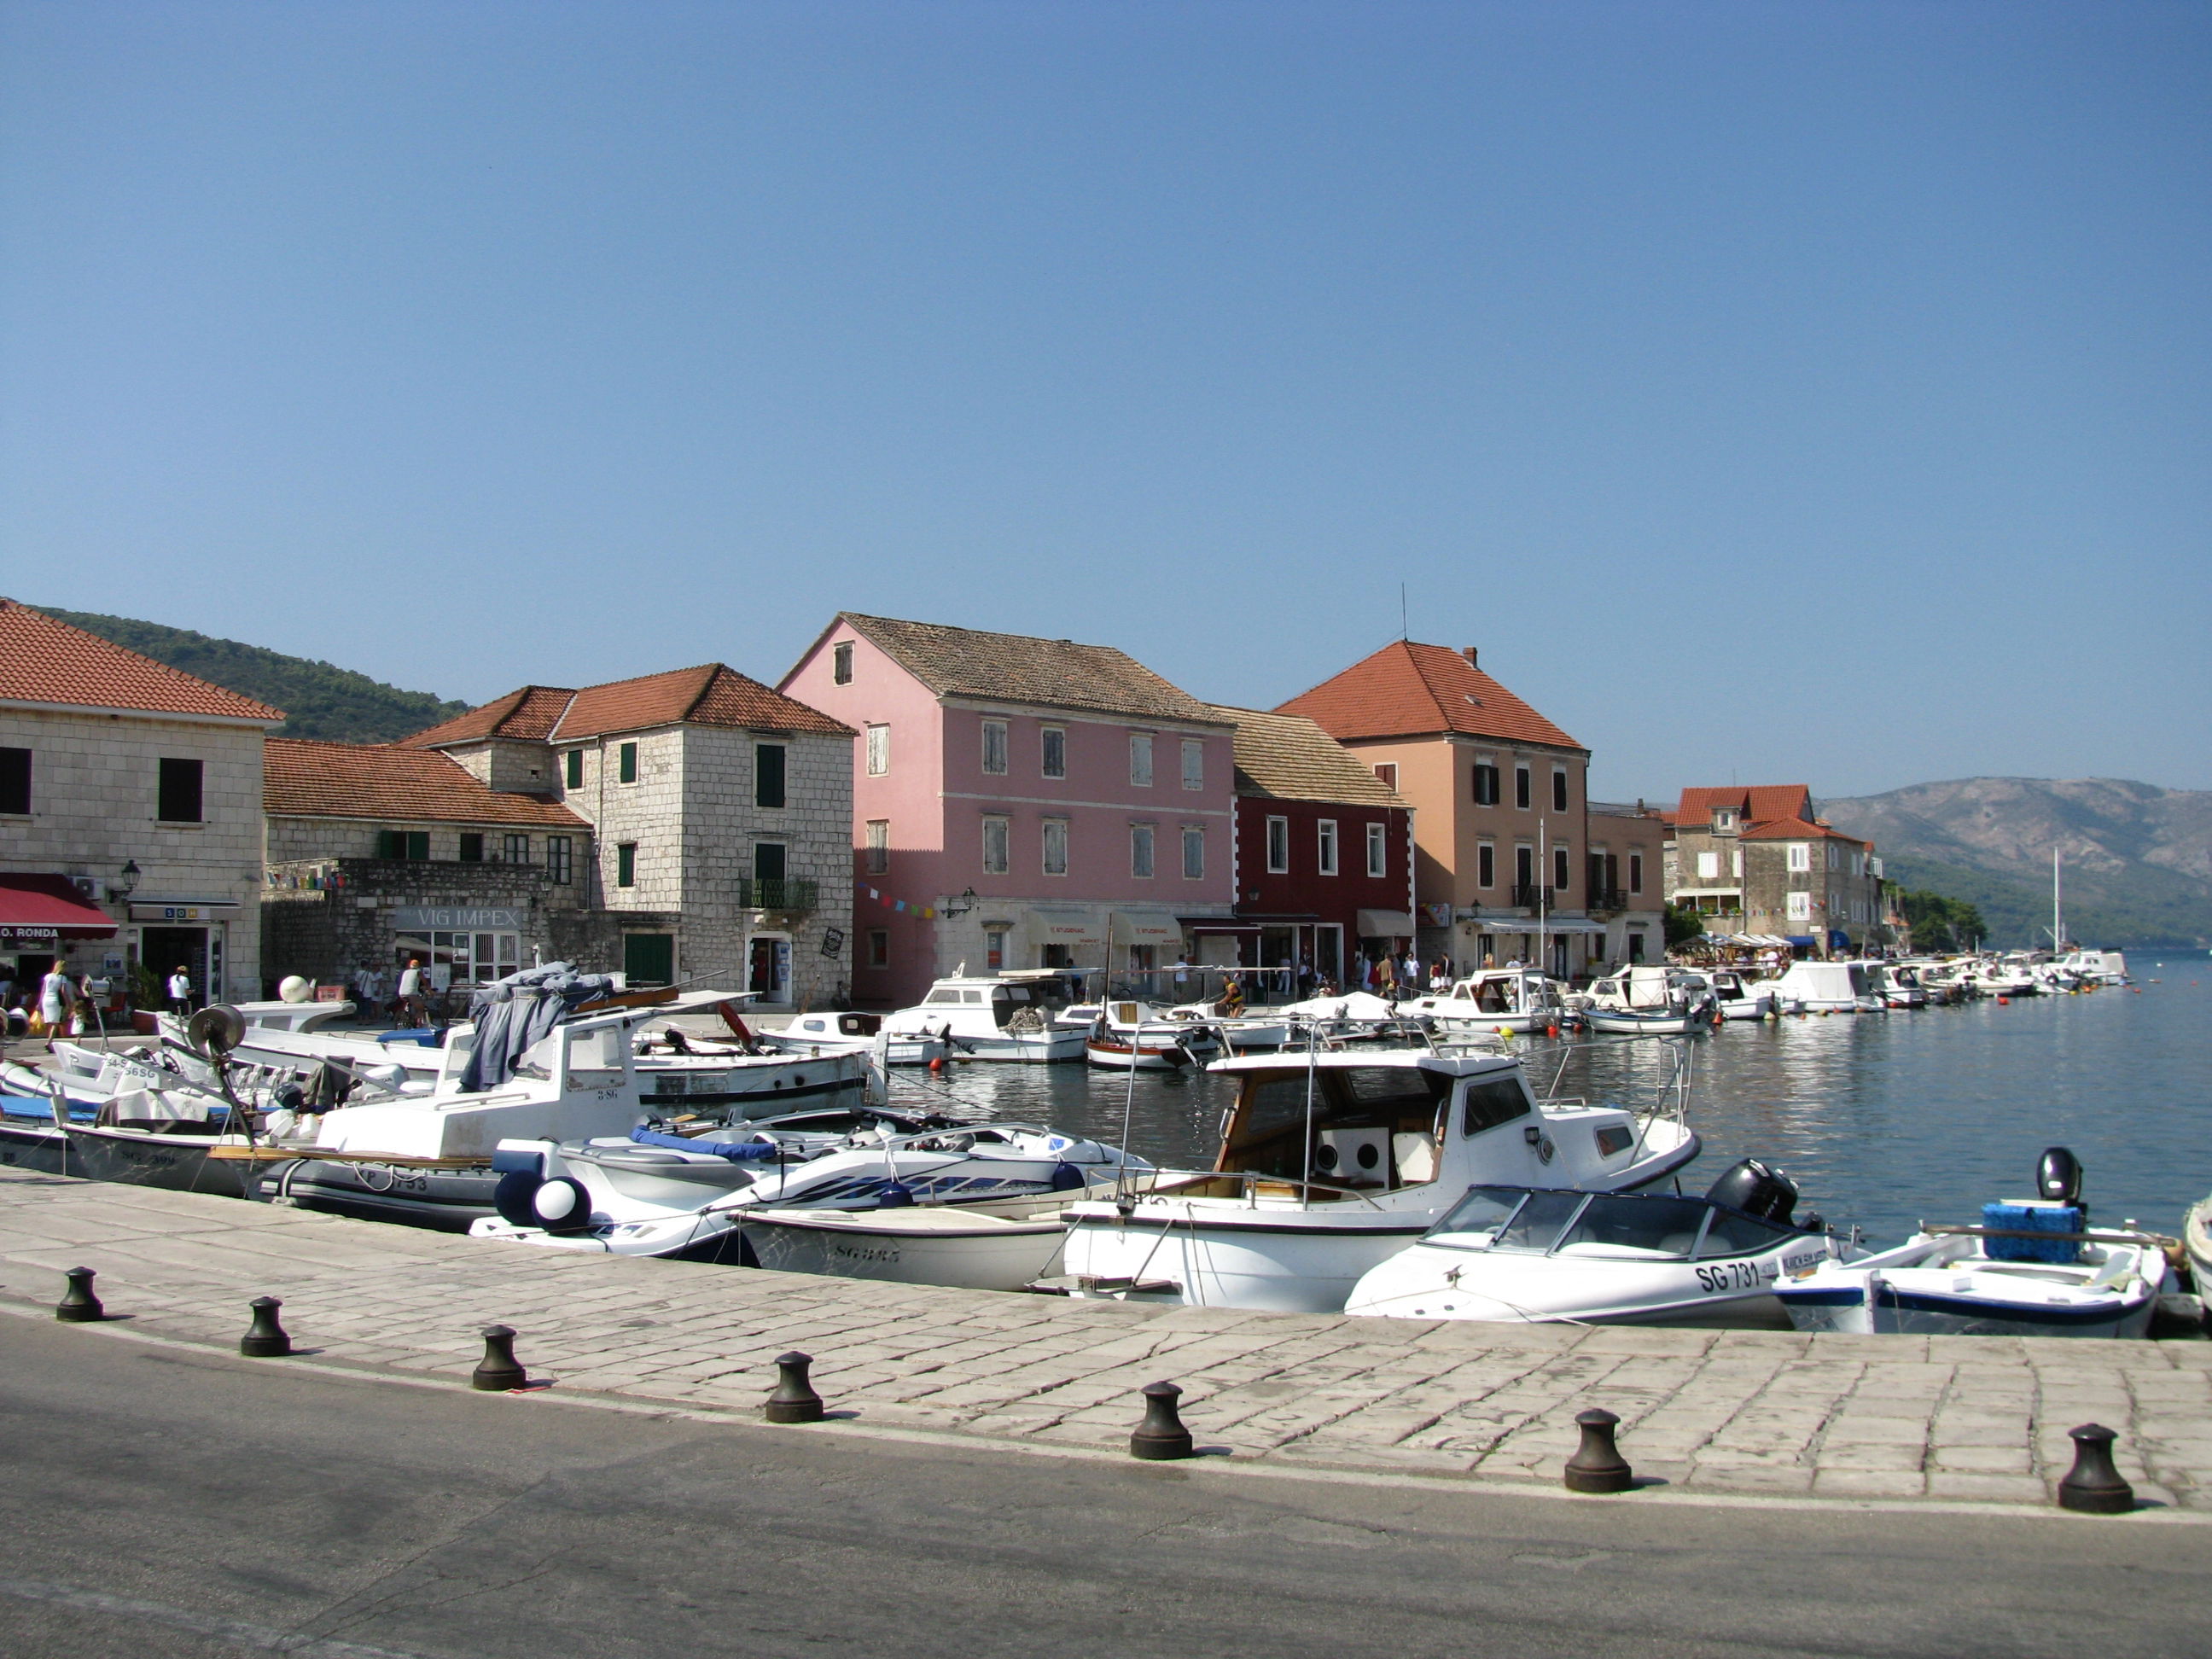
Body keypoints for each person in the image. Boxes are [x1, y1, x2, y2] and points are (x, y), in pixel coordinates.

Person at [38, 964, 75, 1052]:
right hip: (55, 1000)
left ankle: (48, 1040)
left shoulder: (48, 976)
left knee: (48, 1022)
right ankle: (49, 1042)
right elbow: (63, 991)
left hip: (46, 1000)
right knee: (55, 1023)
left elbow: (43, 990)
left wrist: (39, 1002)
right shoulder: (62, 978)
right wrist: (68, 1003)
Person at [394, 958, 425, 1027]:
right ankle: (418, 1024)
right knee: (421, 1008)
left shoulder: (405, 972)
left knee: (410, 1003)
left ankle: (407, 1015)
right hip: (412, 993)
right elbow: (425, 982)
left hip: (401, 993)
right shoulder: (418, 972)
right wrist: (430, 990)